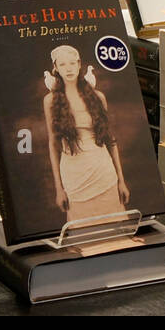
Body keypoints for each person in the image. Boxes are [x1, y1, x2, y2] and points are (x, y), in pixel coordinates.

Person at [43, 44, 130, 223]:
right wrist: (59, 189)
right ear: (56, 69)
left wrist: (121, 181)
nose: (68, 69)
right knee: (82, 229)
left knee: (113, 225)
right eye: (63, 65)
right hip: (74, 175)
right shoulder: (50, 100)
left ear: (79, 64)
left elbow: (110, 141)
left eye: (72, 63)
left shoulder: (98, 97)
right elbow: (53, 145)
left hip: (103, 171)